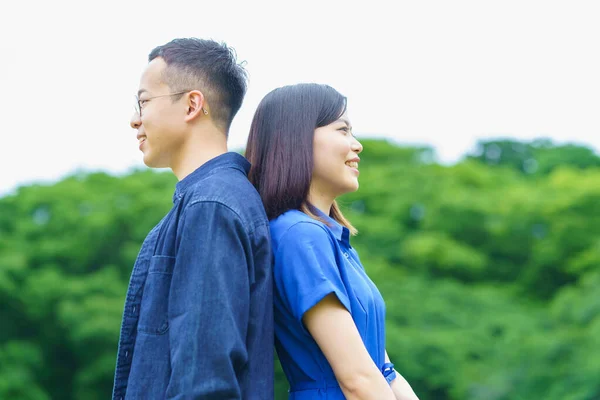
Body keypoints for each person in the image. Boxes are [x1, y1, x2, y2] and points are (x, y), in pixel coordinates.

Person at [112, 38, 273, 399]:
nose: (135, 119)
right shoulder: (210, 201)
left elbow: (205, 381)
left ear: (192, 104)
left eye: (144, 101)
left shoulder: (211, 205)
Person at [245, 83, 419, 400]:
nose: (357, 145)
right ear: (297, 139)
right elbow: (357, 380)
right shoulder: (299, 235)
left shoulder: (332, 239)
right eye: (343, 130)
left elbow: (383, 370)